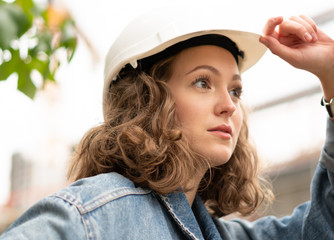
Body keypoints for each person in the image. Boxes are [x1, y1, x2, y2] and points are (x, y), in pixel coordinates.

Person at [1, 7, 333, 240]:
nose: (229, 105)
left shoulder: (220, 233)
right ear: (147, 100)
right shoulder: (98, 214)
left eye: (235, 90)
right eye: (203, 82)